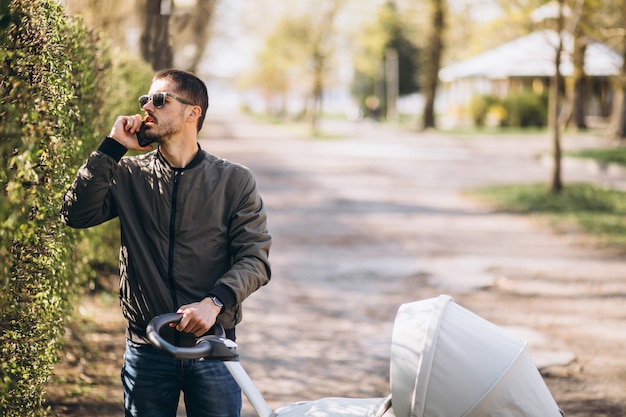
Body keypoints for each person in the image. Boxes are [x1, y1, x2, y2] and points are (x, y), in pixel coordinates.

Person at [61, 69, 271, 417]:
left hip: (214, 347)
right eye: (145, 99)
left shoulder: (234, 181)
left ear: (193, 113)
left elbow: (255, 259)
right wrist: (112, 147)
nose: (147, 107)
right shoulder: (128, 175)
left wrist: (214, 302)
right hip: (147, 350)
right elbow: (75, 214)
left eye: (159, 100)